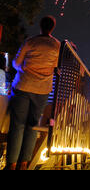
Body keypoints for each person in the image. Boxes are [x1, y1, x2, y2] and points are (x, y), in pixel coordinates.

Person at [5, 16, 60, 170]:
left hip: (23, 86)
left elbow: (16, 63)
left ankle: (11, 163)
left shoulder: (30, 42)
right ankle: (24, 163)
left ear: (40, 26)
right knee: (32, 125)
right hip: (42, 90)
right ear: (52, 28)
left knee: (17, 125)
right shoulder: (56, 45)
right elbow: (56, 67)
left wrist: (24, 68)